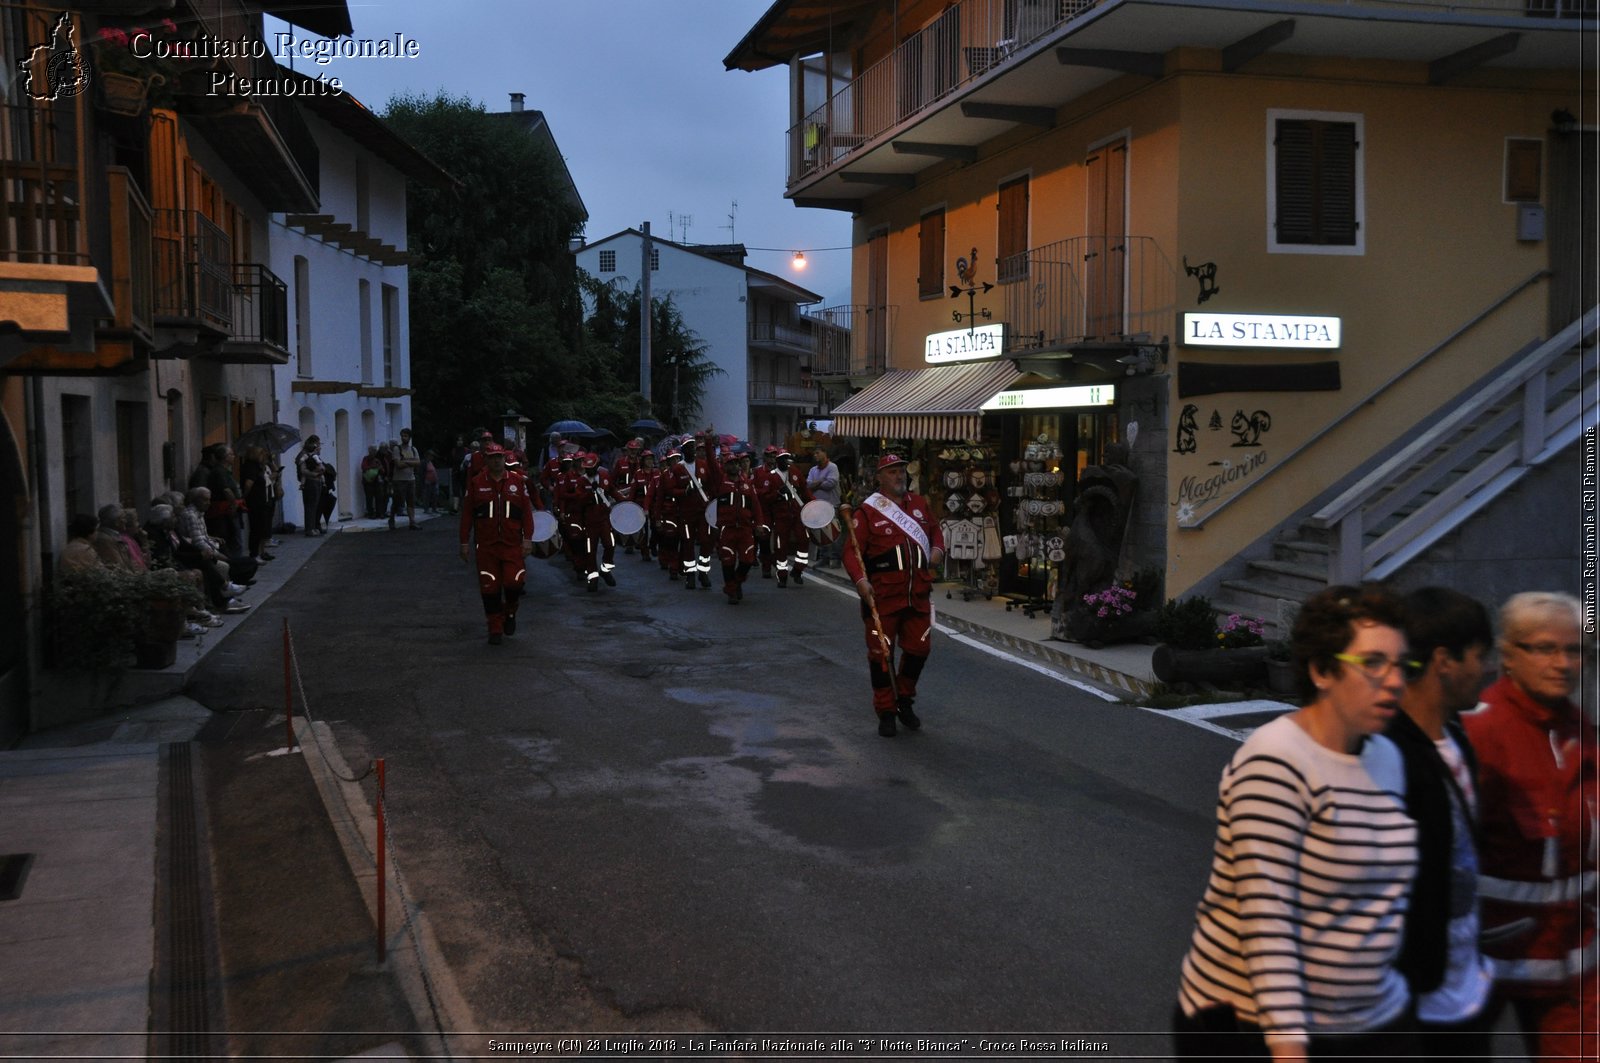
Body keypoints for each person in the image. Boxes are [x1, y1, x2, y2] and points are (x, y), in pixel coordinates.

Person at [1173, 583, 1420, 1060]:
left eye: (1400, 665)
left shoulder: (1388, 754)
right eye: (1372, 664)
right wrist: (1289, 1047)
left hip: (1372, 1018)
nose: (1394, 681)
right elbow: (1267, 922)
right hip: (1252, 1025)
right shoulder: (1275, 761)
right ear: (1322, 670)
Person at [1462, 592, 1596, 1063]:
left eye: (1575, 650)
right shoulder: (1476, 733)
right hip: (1485, 963)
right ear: (1509, 655)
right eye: (1543, 648)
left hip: (1573, 966)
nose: (1562, 663)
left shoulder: (1583, 735)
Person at [1389, 587, 1495, 1059]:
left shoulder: (1457, 742)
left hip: (1464, 996)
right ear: (1443, 661)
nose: (1487, 669)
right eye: (1479, 655)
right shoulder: (1386, 759)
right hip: (1410, 1011)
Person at [841, 454, 947, 737]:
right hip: (884, 598)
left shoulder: (920, 505)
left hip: (918, 595)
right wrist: (861, 582)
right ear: (880, 477)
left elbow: (936, 530)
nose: (899, 476)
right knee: (881, 655)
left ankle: (904, 699)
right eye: (892, 472)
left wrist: (938, 548)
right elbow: (851, 552)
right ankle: (886, 711)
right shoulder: (867, 512)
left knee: (919, 650)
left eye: (901, 471)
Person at [458, 443, 536, 644]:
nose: (496, 460)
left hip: (511, 545)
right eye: (492, 457)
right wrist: (464, 542)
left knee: (514, 582)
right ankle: (494, 626)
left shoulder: (518, 482)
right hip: (486, 546)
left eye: (499, 457)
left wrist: (528, 538)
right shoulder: (476, 483)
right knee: (489, 587)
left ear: (504, 458)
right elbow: (467, 515)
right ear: (486, 459)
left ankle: (510, 611)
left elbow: (527, 513)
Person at [712, 451, 763, 604]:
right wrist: (708, 442)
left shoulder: (747, 483)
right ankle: (732, 591)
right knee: (727, 561)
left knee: (748, 560)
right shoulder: (720, 482)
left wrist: (759, 523)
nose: (734, 466)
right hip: (727, 530)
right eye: (730, 463)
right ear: (724, 466)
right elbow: (711, 463)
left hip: (745, 530)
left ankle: (736, 582)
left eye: (735, 463)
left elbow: (756, 505)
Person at [806, 447, 842, 566]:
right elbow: (808, 485)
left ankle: (835, 558)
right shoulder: (813, 470)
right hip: (818, 505)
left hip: (831, 504)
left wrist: (817, 483)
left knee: (833, 532)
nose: (815, 455)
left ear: (825, 453)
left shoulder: (832, 467)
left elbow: (830, 484)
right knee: (820, 533)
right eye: (814, 453)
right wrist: (821, 481)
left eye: (818, 452)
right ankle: (824, 557)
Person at [239, 446, 275, 563]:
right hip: (256, 502)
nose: (263, 456)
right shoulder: (251, 467)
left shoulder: (259, 467)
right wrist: (244, 497)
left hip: (262, 500)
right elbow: (248, 484)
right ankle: (254, 554)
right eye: (261, 454)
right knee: (256, 528)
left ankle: (261, 552)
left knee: (262, 528)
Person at [389, 427, 421, 529]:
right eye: (402, 436)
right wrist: (411, 462)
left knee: (411, 500)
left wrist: (406, 462)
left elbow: (418, 462)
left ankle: (412, 521)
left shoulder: (413, 449)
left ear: (409, 437)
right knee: (398, 500)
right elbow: (398, 464)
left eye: (406, 436)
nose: (404, 438)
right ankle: (392, 518)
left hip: (410, 479)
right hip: (399, 480)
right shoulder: (397, 449)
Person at [296, 436, 326, 535]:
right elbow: (303, 469)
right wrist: (315, 474)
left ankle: (313, 527)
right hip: (310, 481)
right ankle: (309, 529)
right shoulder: (304, 455)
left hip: (316, 481)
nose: (319, 446)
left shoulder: (313, 455)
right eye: (318, 444)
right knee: (310, 506)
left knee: (314, 506)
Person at [360, 445, 386, 520]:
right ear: (369, 451)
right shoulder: (365, 459)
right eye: (373, 451)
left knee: (379, 497)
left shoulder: (377, 460)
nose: (374, 452)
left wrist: (379, 468)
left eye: (375, 451)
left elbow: (382, 470)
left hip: (377, 481)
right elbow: (363, 467)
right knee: (369, 498)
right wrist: (373, 466)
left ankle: (379, 513)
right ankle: (370, 513)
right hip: (368, 481)